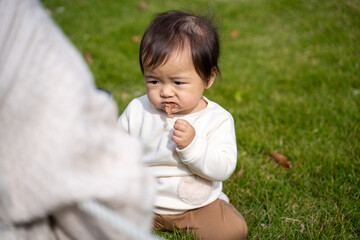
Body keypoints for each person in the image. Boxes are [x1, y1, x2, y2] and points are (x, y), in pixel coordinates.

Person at [118, 11, 248, 239]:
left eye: (178, 82)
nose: (166, 92)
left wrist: (192, 145)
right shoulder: (138, 110)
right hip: (143, 203)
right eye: (154, 81)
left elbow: (224, 167)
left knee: (233, 230)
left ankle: (217, 206)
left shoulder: (216, 119)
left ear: (208, 78)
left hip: (195, 207)